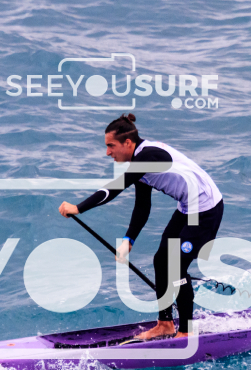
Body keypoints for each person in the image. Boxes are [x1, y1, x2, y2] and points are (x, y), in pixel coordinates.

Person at [58, 114, 224, 340]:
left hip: (206, 209)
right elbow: (142, 206)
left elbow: (114, 188)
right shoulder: (139, 162)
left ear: (127, 143)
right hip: (187, 207)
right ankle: (165, 324)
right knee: (161, 260)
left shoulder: (148, 156)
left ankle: (186, 331)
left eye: (111, 146)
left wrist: (78, 207)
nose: (107, 152)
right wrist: (129, 239)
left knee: (175, 266)